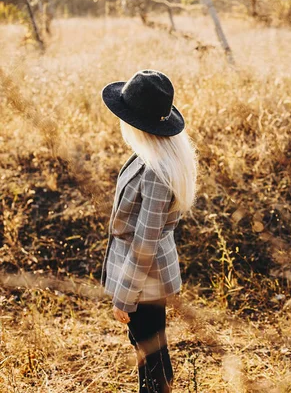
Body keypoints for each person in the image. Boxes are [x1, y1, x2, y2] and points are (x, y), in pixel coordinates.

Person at [100, 69, 197, 393]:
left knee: (150, 355)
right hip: (147, 276)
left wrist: (124, 300)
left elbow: (145, 242)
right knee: (152, 349)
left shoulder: (157, 171)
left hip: (144, 280)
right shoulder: (155, 156)